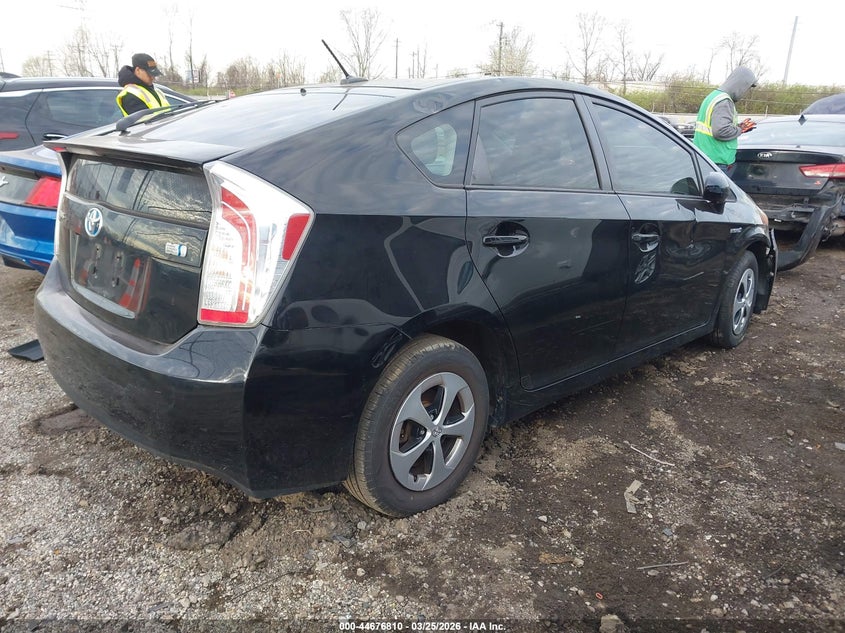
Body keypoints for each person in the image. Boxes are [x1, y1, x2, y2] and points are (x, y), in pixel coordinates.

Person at [693, 66, 757, 174]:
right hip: (715, 162)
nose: (745, 93)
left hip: (706, 159)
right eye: (747, 88)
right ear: (741, 84)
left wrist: (739, 127)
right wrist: (740, 129)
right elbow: (720, 131)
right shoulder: (724, 101)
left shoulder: (713, 96)